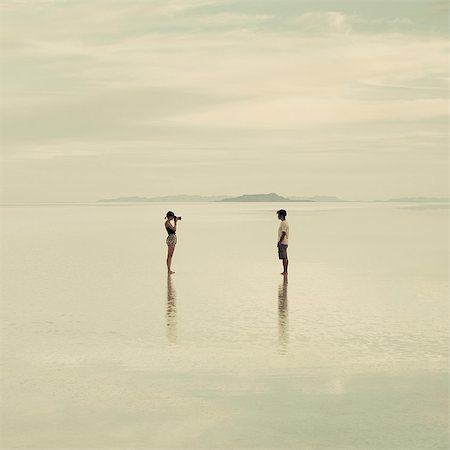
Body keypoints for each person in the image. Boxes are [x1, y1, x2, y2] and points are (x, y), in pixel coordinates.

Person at [276, 209, 289, 275]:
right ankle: (285, 271)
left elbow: (283, 233)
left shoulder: (283, 223)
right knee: (285, 257)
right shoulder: (284, 223)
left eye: (278, 215)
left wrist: (279, 242)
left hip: (283, 242)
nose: (278, 216)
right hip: (284, 242)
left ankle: (285, 271)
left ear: (282, 215)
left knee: (284, 257)